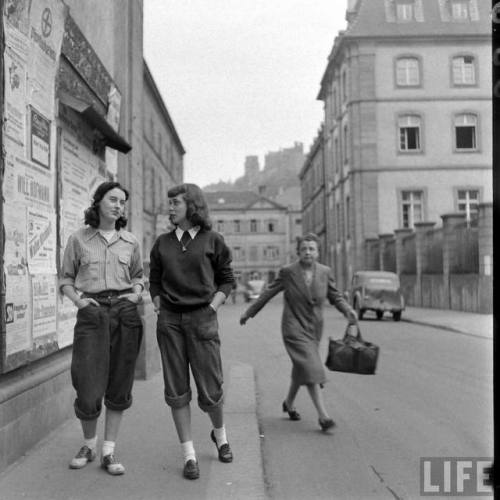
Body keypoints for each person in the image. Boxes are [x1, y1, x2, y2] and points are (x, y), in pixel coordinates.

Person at [149, 183, 235, 480]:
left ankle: (220, 436)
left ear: (192, 206)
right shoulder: (162, 243)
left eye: (175, 202)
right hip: (170, 322)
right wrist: (161, 306)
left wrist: (212, 308)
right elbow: (155, 281)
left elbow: (226, 280)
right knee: (176, 391)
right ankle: (189, 455)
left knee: (211, 389)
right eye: (169, 202)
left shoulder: (213, 240)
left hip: (202, 319)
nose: (170, 207)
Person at [59, 181, 144, 476]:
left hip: (124, 313)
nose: (118, 205)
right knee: (87, 383)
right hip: (92, 314)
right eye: (113, 199)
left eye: (122, 201)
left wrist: (135, 293)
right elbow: (66, 280)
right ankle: (88, 445)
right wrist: (80, 303)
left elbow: (138, 276)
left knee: (119, 382)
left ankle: (108, 451)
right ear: (97, 202)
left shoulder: (130, 241)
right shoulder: (79, 239)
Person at [240, 232, 357, 431]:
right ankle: (323, 416)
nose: (308, 252)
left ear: (318, 252)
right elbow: (268, 293)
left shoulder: (324, 272)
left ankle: (288, 403)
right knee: (312, 368)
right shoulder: (288, 272)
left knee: (302, 368)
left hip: (314, 329)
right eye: (304, 249)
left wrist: (348, 310)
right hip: (293, 328)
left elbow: (335, 296)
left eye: (312, 249)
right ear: (298, 252)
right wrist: (249, 312)